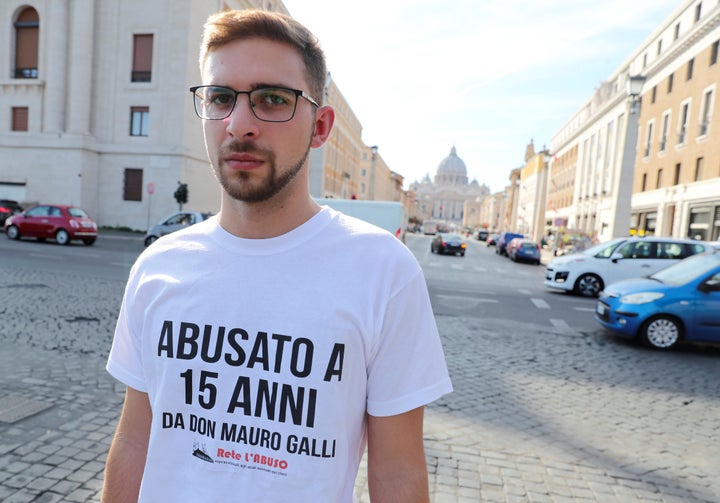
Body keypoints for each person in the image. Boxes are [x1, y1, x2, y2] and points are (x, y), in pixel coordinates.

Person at [102, 9, 452, 503]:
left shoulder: (383, 271)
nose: (239, 125)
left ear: (321, 126)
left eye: (272, 100)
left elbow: (397, 476)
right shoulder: (158, 266)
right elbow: (136, 439)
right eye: (221, 98)